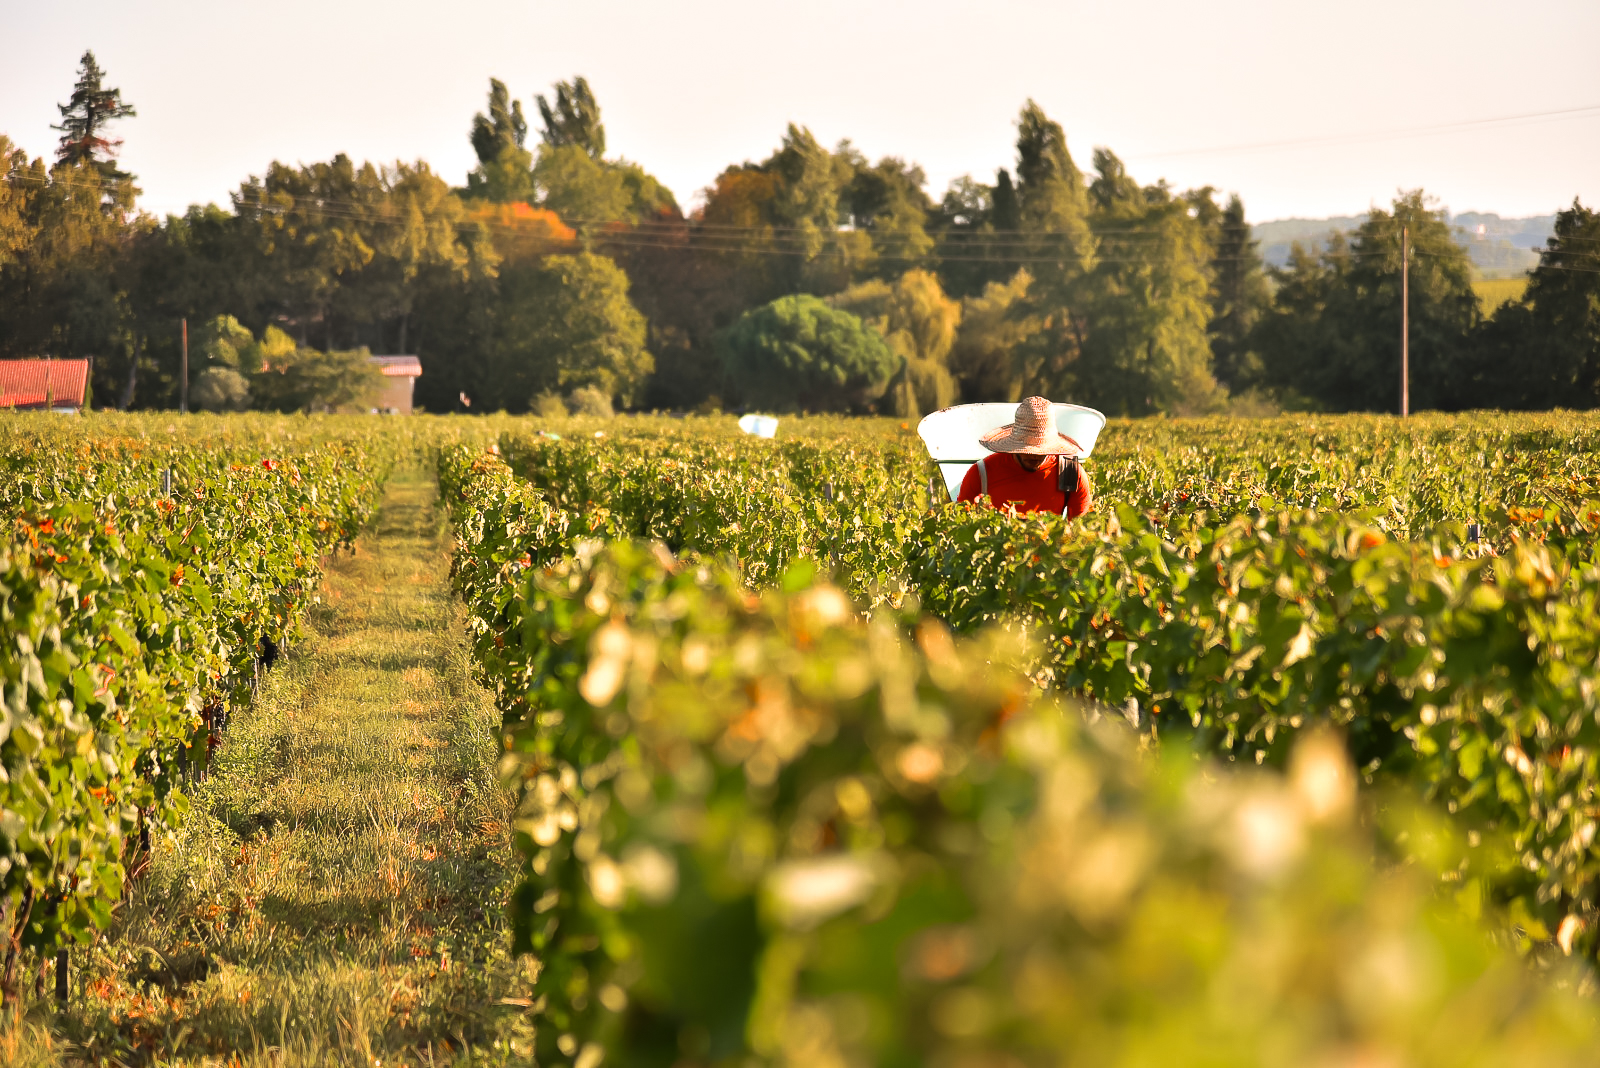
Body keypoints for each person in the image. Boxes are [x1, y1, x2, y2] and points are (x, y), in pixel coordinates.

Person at [957, 396, 1093, 517]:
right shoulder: (982, 473)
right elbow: (959, 523)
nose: (1034, 455)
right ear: (1015, 445)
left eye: (1041, 450)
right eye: (1027, 449)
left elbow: (1078, 529)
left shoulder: (1070, 473)